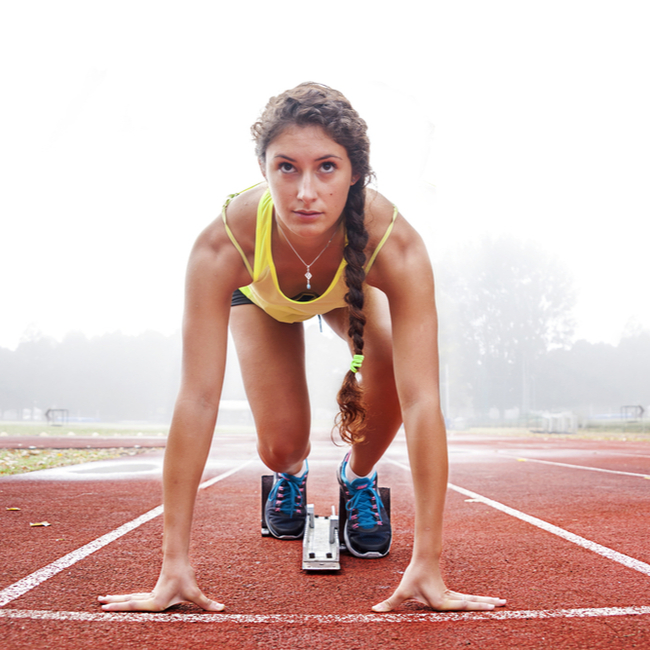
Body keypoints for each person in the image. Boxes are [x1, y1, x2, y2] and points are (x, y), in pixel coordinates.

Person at [98, 83, 506, 613]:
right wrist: (173, 564)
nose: (305, 192)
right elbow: (197, 399)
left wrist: (428, 561)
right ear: (263, 168)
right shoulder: (224, 245)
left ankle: (357, 478)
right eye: (286, 167)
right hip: (261, 299)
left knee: (387, 356)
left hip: (347, 287)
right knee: (282, 446)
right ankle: (288, 476)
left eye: (326, 168)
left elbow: (424, 399)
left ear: (355, 172)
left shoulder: (394, 243)